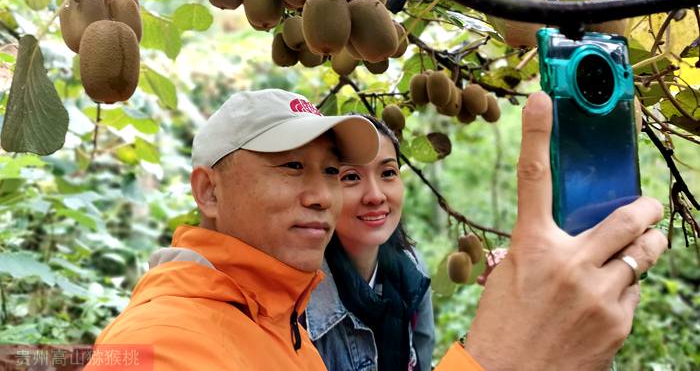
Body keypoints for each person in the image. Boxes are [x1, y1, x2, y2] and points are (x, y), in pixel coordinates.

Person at [85, 88, 668, 371]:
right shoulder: (164, 343)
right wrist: (498, 358)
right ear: (208, 191)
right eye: (291, 167)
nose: (321, 194)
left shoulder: (279, 319)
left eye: (330, 171)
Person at [304, 115, 434, 371]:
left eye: (388, 173)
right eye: (351, 177)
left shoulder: (413, 269)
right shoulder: (296, 300)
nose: (376, 196)